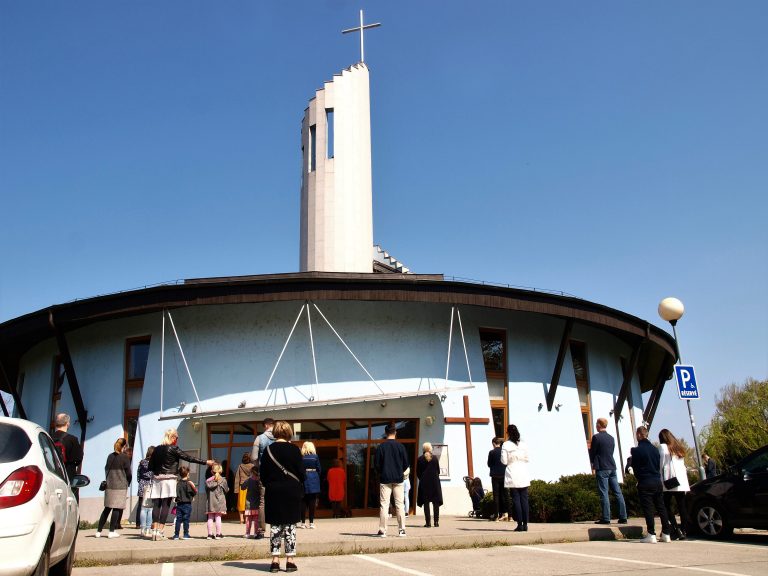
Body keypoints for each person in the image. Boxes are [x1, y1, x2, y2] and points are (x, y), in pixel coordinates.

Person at [149, 428, 213, 540]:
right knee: (165, 504)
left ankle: (154, 531)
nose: (177, 440)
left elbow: (150, 466)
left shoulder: (157, 449)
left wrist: (157, 473)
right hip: (169, 479)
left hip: (157, 478)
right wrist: (205, 462)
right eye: (177, 438)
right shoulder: (174, 449)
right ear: (173, 438)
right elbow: (188, 458)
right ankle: (160, 531)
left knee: (157, 504)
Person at [260, 420, 304, 573]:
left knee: (275, 527)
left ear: (275, 432)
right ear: (288, 432)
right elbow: (302, 473)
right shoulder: (294, 450)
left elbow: (263, 475)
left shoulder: (268, 450)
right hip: (291, 492)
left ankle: (275, 561)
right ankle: (290, 561)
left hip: (274, 492)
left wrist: (271, 483)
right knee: (290, 527)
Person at [630, 426, 671, 543]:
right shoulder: (655, 449)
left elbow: (636, 467)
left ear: (638, 435)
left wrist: (639, 478)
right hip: (657, 481)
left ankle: (651, 533)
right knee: (661, 507)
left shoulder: (636, 450)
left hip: (645, 481)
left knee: (648, 508)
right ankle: (666, 533)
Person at [589, 418, 628, 525]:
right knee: (618, 492)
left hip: (602, 467)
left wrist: (592, 463)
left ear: (599, 425)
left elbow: (593, 452)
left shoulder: (596, 437)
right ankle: (623, 516)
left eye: (596, 424)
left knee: (604, 493)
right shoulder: (611, 438)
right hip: (612, 466)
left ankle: (606, 517)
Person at [374, 423, 410, 538]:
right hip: (398, 479)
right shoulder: (401, 447)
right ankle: (402, 530)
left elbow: (376, 465)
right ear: (395, 433)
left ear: (385, 433)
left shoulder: (381, 447)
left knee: (384, 505)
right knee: (400, 504)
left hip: (385, 479)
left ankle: (382, 530)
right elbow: (406, 465)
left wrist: (381, 473)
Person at [96, 437, 132, 538]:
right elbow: (129, 473)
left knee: (107, 508)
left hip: (109, 485)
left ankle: (98, 531)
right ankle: (111, 531)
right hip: (120, 486)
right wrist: (128, 482)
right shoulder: (124, 457)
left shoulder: (109, 456)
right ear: (124, 446)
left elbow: (106, 469)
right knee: (116, 508)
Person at [659, 429, 691, 540]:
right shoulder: (679, 448)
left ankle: (675, 529)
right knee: (682, 507)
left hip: (670, 481)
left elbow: (661, 465)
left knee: (665, 505)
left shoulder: (663, 448)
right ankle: (684, 530)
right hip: (682, 482)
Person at [501, 424, 530, 532]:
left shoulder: (506, 445)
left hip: (513, 472)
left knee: (516, 500)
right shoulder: (523, 444)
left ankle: (520, 524)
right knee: (524, 500)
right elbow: (527, 458)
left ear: (508, 433)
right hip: (523, 471)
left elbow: (504, 461)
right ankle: (526, 524)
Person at [50, 413, 83, 498]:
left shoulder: (48, 438)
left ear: (55, 424)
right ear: (67, 424)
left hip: (50, 477)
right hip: (68, 477)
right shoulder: (72, 439)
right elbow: (78, 459)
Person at [252, 418, 276, 534]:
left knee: (263, 502)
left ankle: (261, 530)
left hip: (264, 474)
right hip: (278, 475)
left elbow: (254, 458)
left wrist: (259, 468)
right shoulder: (280, 438)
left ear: (266, 425)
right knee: (278, 500)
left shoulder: (259, 438)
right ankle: (277, 528)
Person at [417, 442, 443, 528]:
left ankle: (428, 523)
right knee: (435, 503)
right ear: (430, 449)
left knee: (426, 503)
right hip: (434, 483)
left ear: (423, 449)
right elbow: (438, 471)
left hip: (424, 483)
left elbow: (418, 473)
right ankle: (436, 522)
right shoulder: (435, 458)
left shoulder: (420, 459)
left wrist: (423, 478)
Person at [300, 441, 321, 529]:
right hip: (313, 479)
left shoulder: (301, 457)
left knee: (303, 502)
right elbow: (319, 469)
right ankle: (311, 523)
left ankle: (303, 523)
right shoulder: (315, 457)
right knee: (312, 501)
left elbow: (299, 469)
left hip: (303, 479)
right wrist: (316, 476)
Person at [205, 462, 229, 539]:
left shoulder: (208, 481)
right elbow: (226, 490)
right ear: (221, 471)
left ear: (212, 471)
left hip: (211, 502)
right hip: (220, 502)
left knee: (210, 518)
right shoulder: (223, 480)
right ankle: (218, 534)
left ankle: (209, 534)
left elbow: (206, 490)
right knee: (218, 517)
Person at [173, 465, 197, 540]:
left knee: (178, 519)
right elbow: (195, 491)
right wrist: (192, 496)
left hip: (179, 504)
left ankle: (176, 535)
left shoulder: (177, 483)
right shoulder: (189, 483)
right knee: (186, 519)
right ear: (188, 473)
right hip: (187, 504)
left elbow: (175, 492)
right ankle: (186, 534)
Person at [487, 437, 508, 521]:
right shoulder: (504, 451)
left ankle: (496, 516)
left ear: (493, 443)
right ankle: (506, 514)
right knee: (505, 495)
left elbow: (489, 464)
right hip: (504, 475)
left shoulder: (492, 452)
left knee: (496, 496)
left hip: (495, 476)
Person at [135, 446, 155, 530]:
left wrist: (140, 481)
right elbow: (154, 474)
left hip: (142, 483)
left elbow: (138, 474)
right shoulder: (154, 463)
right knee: (151, 505)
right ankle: (150, 523)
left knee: (140, 504)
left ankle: (138, 523)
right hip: (150, 484)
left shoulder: (141, 462)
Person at [241, 466, 263, 539]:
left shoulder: (249, 480)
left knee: (248, 520)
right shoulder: (260, 481)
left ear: (251, 472)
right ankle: (256, 533)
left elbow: (242, 487)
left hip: (248, 504)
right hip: (257, 503)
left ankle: (247, 533)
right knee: (256, 520)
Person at [234, 452, 254, 524]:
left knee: (241, 503)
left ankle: (241, 519)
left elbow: (237, 478)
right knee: (248, 503)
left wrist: (236, 490)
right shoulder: (253, 466)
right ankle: (247, 519)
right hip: (251, 486)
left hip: (242, 486)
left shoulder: (240, 466)